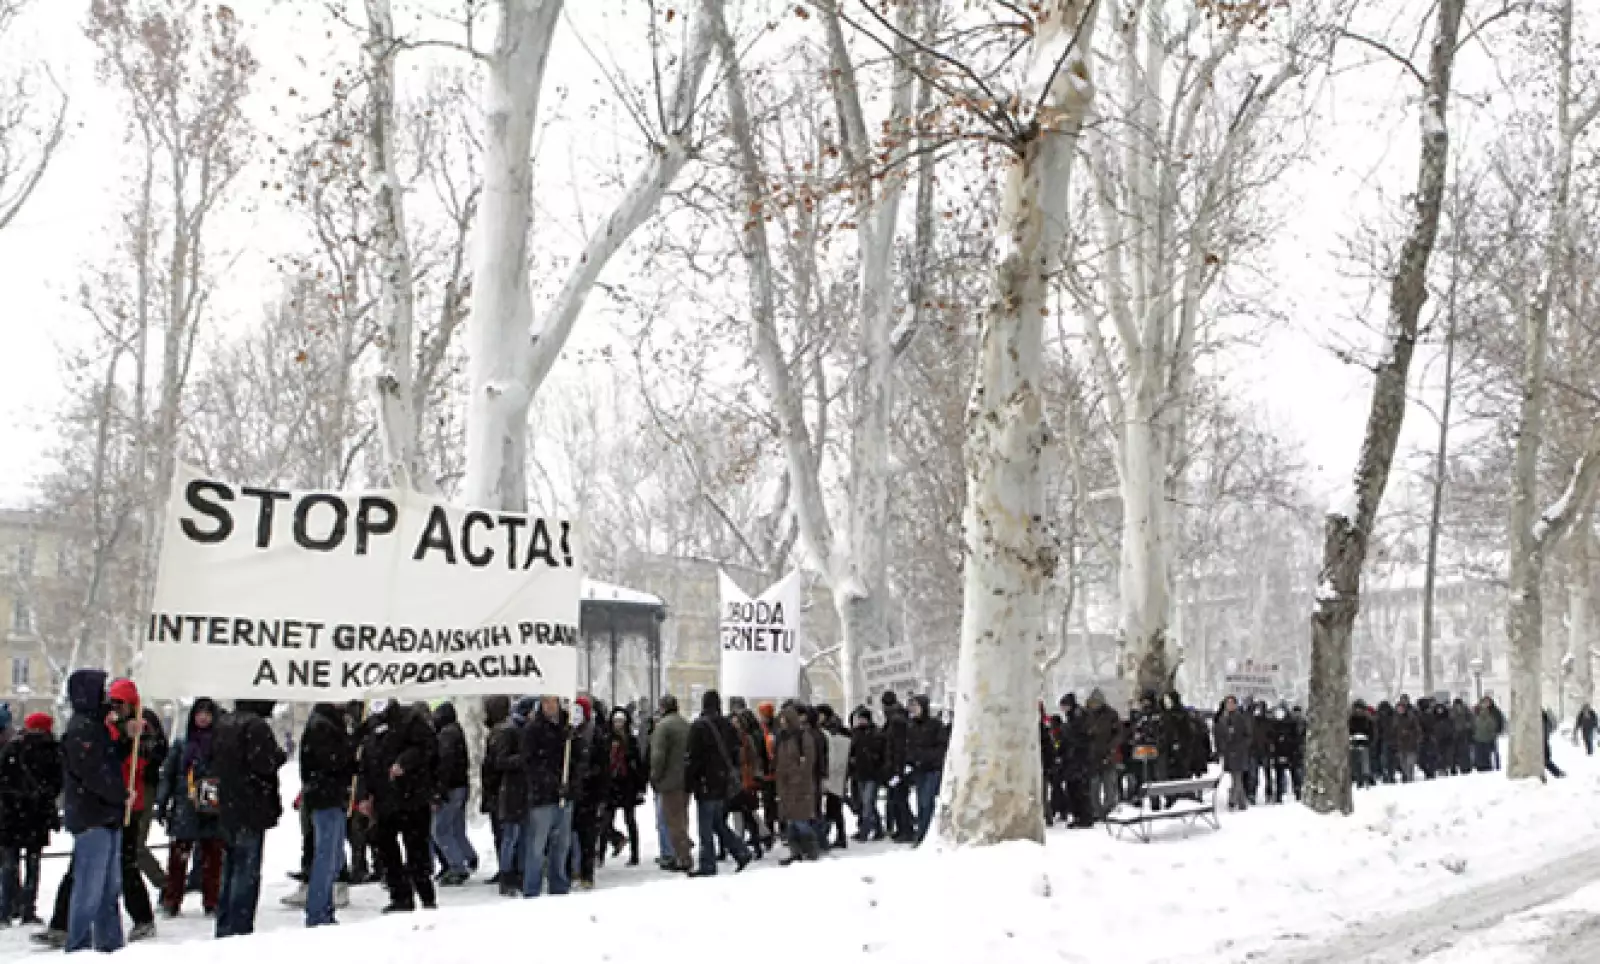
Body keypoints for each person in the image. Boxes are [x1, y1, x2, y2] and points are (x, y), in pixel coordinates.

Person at [61, 669, 128, 953]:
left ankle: (109, 944)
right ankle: (78, 946)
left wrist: (126, 738)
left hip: (105, 815)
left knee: (109, 888)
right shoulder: (81, 730)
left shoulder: (95, 727)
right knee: (90, 889)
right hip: (93, 817)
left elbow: (108, 761)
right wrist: (121, 794)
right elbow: (94, 774)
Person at [211, 699, 285, 938]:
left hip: (229, 806)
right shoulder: (256, 727)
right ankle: (239, 925)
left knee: (230, 868)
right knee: (246, 870)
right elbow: (264, 764)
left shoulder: (224, 724)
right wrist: (278, 756)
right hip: (251, 807)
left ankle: (224, 923)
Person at [360, 700, 438, 913]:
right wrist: (364, 795)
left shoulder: (410, 719)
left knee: (417, 850)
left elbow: (427, 747)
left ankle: (426, 895)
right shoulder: (371, 725)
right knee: (386, 849)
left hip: (412, 797)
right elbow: (365, 764)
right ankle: (401, 896)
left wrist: (405, 763)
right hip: (384, 799)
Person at [154, 698, 224, 918]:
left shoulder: (220, 743)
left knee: (212, 856)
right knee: (178, 857)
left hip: (211, 801)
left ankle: (211, 900)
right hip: (185, 804)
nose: (203, 718)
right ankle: (172, 899)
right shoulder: (183, 743)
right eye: (199, 713)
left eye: (207, 713)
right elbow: (169, 774)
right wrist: (163, 801)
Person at [0, 712, 61, 926]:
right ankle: (28, 909)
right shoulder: (52, 750)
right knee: (33, 865)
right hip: (37, 814)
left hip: (11, 814)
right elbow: (57, 783)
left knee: (10, 864)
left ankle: (6, 909)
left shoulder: (13, 748)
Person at [684, 690, 751, 876]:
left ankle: (708, 864)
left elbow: (692, 758)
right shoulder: (727, 725)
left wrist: (689, 783)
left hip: (705, 781)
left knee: (706, 825)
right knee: (717, 823)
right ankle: (740, 850)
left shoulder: (699, 726)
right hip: (722, 781)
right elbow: (735, 751)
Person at [300, 702, 354, 927]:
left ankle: (323, 907)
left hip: (327, 796)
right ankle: (318, 910)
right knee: (327, 856)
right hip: (327, 797)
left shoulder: (324, 723)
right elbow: (334, 760)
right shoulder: (323, 726)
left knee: (331, 856)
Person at [520, 696, 573, 897]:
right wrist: (551, 783)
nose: (550, 706)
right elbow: (530, 763)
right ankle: (532, 888)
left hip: (564, 796)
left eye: (553, 702)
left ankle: (558, 884)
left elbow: (576, 760)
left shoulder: (567, 730)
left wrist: (570, 785)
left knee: (561, 845)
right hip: (542, 798)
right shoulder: (533, 730)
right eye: (545, 702)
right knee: (537, 846)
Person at [487, 697, 532, 895]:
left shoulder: (521, 730)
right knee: (511, 836)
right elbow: (500, 761)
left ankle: (519, 873)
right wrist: (523, 759)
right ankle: (507, 875)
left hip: (523, 790)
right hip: (513, 790)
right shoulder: (509, 731)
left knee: (521, 836)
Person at [430, 702, 475, 886]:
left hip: (450, 788)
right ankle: (468, 856)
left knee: (440, 830)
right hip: (460, 786)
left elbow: (445, 765)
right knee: (456, 828)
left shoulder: (446, 735)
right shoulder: (456, 731)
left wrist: (439, 791)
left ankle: (457, 866)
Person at [568, 697, 609, 889]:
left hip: (589, 793)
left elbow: (603, 767)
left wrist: (600, 793)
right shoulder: (568, 734)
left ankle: (586, 874)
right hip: (572, 791)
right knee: (568, 835)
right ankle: (571, 871)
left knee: (587, 837)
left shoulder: (596, 735)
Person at [649, 694, 692, 873]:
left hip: (669, 781)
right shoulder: (685, 724)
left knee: (671, 821)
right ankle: (682, 852)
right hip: (685, 780)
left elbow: (658, 755)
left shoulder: (663, 727)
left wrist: (655, 776)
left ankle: (678, 856)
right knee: (682, 819)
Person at [774, 703, 821, 864]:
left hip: (800, 786)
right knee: (791, 822)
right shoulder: (783, 738)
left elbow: (808, 763)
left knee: (801, 821)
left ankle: (811, 849)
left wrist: (798, 777)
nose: (782, 722)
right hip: (787, 787)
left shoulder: (803, 737)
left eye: (784, 719)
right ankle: (796, 851)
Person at [602, 707, 645, 867]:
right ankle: (605, 850)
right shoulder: (606, 739)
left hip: (627, 784)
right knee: (605, 821)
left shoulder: (631, 741)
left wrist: (640, 786)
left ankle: (634, 854)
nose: (618, 725)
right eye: (616, 722)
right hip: (611, 785)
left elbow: (638, 764)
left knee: (630, 820)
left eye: (621, 722)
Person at [479, 696, 513, 884]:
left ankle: (506, 869)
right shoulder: (499, 731)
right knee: (502, 833)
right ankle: (505, 867)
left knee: (503, 833)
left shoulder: (500, 733)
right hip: (498, 789)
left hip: (499, 791)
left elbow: (497, 763)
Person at [880, 691, 913, 841]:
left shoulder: (896, 721)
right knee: (898, 800)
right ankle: (902, 829)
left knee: (899, 800)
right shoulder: (897, 718)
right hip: (896, 766)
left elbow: (897, 747)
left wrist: (896, 770)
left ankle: (905, 830)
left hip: (897, 767)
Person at [847, 707, 884, 840]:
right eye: (859, 719)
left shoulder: (876, 733)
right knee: (865, 803)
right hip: (859, 773)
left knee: (868, 802)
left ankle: (865, 831)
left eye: (863, 718)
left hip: (872, 773)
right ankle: (878, 828)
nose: (861, 721)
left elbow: (881, 752)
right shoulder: (855, 733)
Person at [819, 707, 851, 848]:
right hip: (838, 773)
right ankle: (837, 835)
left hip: (835, 772)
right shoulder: (837, 728)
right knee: (834, 807)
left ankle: (834, 836)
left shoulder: (831, 730)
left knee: (834, 806)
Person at [1214, 697, 1251, 811]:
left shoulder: (1241, 718)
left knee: (1237, 778)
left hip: (1239, 752)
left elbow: (1248, 735)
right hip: (1228, 753)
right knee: (1235, 777)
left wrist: (1241, 746)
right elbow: (1218, 735)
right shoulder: (1222, 719)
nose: (1229, 706)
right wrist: (1220, 748)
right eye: (1227, 703)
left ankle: (1232, 801)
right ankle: (1242, 802)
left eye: (1231, 703)